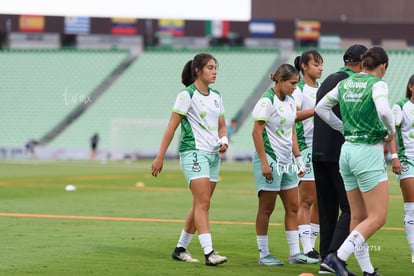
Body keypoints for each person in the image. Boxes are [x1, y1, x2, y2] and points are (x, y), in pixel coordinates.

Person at [315, 46, 395, 276]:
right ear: (382, 67)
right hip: (368, 152)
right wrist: (390, 131)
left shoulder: (345, 83)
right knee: (377, 217)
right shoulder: (377, 84)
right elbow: (384, 111)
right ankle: (336, 257)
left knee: (357, 216)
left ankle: (367, 271)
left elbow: (321, 108)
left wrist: (342, 128)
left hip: (347, 151)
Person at [151, 53, 228, 266]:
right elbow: (171, 126)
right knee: (203, 203)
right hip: (193, 152)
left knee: (201, 204)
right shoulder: (187, 95)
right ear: (198, 70)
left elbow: (222, 124)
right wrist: (160, 157)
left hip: (213, 156)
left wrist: (224, 139)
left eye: (215, 67)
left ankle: (180, 248)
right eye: (210, 68)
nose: (215, 71)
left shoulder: (216, 95)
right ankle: (209, 252)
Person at [252, 63, 319, 266]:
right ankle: (264, 254)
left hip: (288, 161)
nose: (295, 88)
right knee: (267, 209)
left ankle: (295, 253)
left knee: (292, 206)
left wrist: (298, 159)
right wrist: (264, 163)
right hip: (271, 159)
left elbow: (291, 130)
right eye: (292, 83)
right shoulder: (266, 101)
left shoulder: (290, 101)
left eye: (297, 84)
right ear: (279, 81)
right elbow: (256, 133)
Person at [312, 44, 367, 274]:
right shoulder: (352, 82)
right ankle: (333, 256)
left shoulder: (329, 79)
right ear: (363, 62)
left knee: (326, 208)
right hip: (339, 151)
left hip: (318, 152)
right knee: (350, 208)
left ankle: (325, 255)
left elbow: (320, 109)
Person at [292, 49, 323, 260]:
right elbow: (291, 116)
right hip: (305, 148)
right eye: (316, 64)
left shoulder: (323, 89)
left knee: (322, 200)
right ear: (304, 66)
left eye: (321, 64)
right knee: (307, 199)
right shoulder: (298, 90)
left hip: (323, 149)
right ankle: (306, 247)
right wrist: (318, 109)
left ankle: (311, 246)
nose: (320, 68)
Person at [389, 74, 414, 264]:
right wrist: (395, 157)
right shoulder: (400, 106)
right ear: (411, 87)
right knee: (411, 208)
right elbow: (391, 132)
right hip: (408, 161)